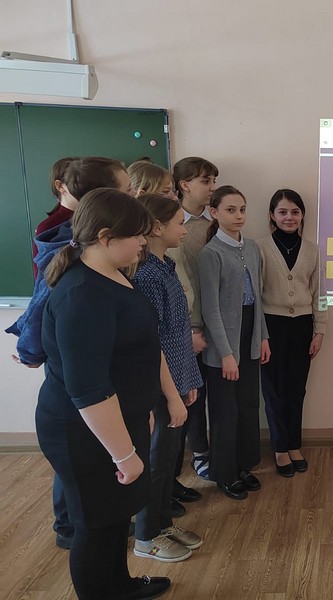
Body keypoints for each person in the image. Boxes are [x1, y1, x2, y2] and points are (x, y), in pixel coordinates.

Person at [36, 188, 170, 599]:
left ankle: (119, 587)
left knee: (115, 516)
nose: (144, 241)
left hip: (116, 424)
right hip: (84, 434)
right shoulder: (82, 294)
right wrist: (124, 454)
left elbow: (127, 355)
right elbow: (88, 390)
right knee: (95, 524)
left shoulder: (112, 274)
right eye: (137, 234)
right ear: (105, 236)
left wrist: (140, 411)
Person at [6, 156, 132, 551]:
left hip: (92, 365)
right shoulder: (62, 239)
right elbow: (43, 300)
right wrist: (30, 346)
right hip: (73, 372)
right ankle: (71, 524)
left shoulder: (89, 240)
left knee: (93, 453)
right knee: (78, 452)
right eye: (126, 190)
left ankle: (91, 518)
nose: (132, 196)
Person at [131, 194, 204, 562]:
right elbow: (154, 340)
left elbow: (178, 333)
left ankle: (162, 523)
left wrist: (187, 380)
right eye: (179, 223)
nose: (185, 231)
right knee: (157, 460)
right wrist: (172, 389)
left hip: (177, 377)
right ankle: (146, 537)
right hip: (160, 384)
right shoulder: (145, 275)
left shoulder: (166, 266)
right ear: (157, 228)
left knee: (168, 454)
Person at [197, 185, 270, 499]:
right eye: (230, 210)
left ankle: (243, 465)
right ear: (214, 212)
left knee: (248, 405)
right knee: (225, 410)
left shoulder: (251, 247)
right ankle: (225, 473)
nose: (238, 216)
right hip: (224, 343)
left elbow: (258, 299)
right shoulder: (210, 253)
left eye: (242, 209)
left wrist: (262, 337)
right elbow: (211, 309)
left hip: (250, 333)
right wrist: (226, 354)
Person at [257, 189, 327, 477]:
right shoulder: (259, 248)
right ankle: (279, 447)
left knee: (296, 389)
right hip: (270, 326)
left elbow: (320, 293)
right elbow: (255, 295)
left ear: (302, 216)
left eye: (295, 212)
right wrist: (260, 335)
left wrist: (320, 330)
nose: (289, 217)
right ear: (272, 215)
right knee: (274, 390)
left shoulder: (312, 250)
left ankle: (293, 444)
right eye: (283, 212)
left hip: (302, 326)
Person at [171, 157, 218, 486]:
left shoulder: (216, 221)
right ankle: (196, 452)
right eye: (205, 181)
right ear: (185, 185)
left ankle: (207, 451)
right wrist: (192, 328)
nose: (212, 187)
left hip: (217, 322)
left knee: (212, 391)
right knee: (190, 393)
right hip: (187, 327)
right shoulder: (167, 225)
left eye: (214, 180)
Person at [32, 156, 78, 276]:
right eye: (77, 182)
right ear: (60, 186)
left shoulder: (94, 216)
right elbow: (42, 275)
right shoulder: (47, 227)